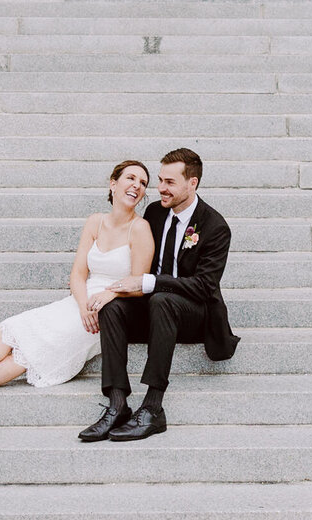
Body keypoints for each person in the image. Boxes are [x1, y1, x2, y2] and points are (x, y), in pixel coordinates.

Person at [0, 160, 156, 408]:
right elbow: (77, 274)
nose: (136, 186)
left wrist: (107, 298)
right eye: (130, 178)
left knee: (24, 357)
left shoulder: (141, 228)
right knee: (14, 331)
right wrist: (81, 306)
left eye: (143, 183)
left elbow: (136, 284)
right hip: (79, 303)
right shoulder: (95, 221)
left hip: (109, 311)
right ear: (113, 184)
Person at [79, 147, 239, 443]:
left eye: (169, 182)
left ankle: (153, 408)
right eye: (161, 180)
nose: (160, 189)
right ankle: (116, 405)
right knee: (112, 308)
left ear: (192, 184)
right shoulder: (155, 211)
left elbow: (205, 286)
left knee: (162, 299)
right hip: (152, 306)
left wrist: (150, 282)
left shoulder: (215, 227)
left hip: (192, 312)